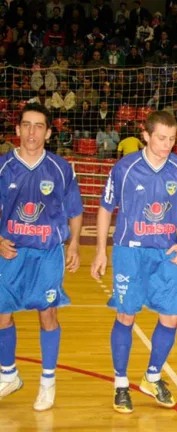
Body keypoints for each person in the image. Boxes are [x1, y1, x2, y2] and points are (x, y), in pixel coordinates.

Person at [90, 111, 177, 414]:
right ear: (146, 135)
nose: (167, 144)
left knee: (171, 318)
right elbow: (104, 209)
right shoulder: (125, 168)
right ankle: (121, 384)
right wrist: (100, 251)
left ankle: (152, 377)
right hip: (130, 252)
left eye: (172, 139)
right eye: (162, 138)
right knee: (126, 316)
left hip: (166, 254)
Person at [0, 103, 83, 411]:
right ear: (18, 129)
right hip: (11, 252)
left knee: (47, 314)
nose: (31, 131)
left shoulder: (61, 168)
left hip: (48, 252)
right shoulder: (3, 167)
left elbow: (74, 211)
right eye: (26, 124)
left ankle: (48, 383)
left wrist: (73, 245)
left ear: (48, 132)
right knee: (1, 312)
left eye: (38, 126)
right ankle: (9, 374)